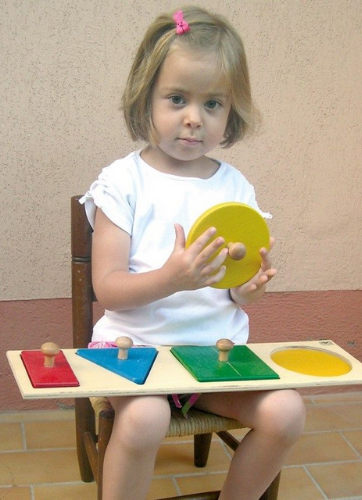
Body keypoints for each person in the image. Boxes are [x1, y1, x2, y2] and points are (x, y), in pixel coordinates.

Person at [80, 7, 305, 500]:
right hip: (133, 353)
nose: (192, 118)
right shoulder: (124, 182)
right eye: (177, 98)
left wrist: (247, 290)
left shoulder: (236, 187)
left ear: (231, 112)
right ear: (147, 98)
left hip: (214, 360)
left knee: (288, 411)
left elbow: (237, 295)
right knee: (145, 417)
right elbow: (109, 289)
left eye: (212, 104)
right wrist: (171, 278)